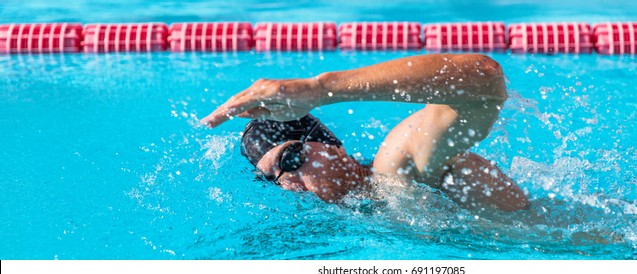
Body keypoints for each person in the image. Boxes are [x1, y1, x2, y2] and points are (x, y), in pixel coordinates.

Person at [200, 53, 530, 213]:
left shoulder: (396, 165)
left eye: (292, 158)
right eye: (272, 179)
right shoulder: (364, 210)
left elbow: (484, 80)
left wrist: (321, 89)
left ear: (329, 145)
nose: (288, 182)